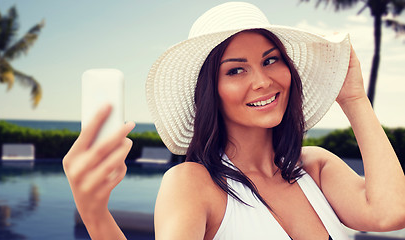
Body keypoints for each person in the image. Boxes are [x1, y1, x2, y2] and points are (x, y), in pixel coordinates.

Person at [62, 2, 405, 240]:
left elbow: (390, 213)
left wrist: (354, 99)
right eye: (236, 69)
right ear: (211, 90)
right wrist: (94, 215)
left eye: (271, 61)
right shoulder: (193, 183)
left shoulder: (314, 167)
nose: (262, 81)